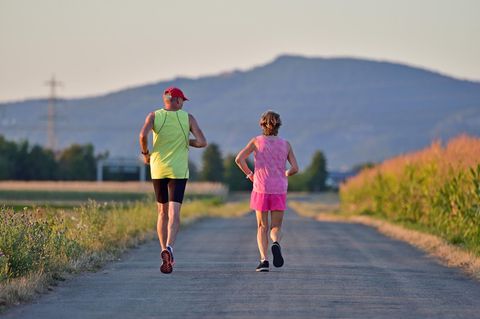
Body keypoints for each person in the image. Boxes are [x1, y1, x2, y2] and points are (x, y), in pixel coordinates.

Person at [139, 87, 207, 274]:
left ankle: (163, 249)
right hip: (178, 171)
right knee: (174, 212)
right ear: (176, 100)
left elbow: (142, 135)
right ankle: (169, 247)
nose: (183, 103)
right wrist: (186, 140)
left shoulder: (153, 116)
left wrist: (145, 154)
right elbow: (202, 142)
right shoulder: (188, 118)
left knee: (162, 212)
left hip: (158, 168)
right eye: (183, 100)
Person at [235, 110, 299, 272]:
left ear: (262, 124)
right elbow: (295, 168)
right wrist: (286, 173)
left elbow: (239, 159)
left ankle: (264, 260)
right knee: (275, 226)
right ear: (279, 125)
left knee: (262, 226)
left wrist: (250, 174)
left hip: (261, 187)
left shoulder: (256, 141)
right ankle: (275, 243)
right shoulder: (286, 144)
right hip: (279, 188)